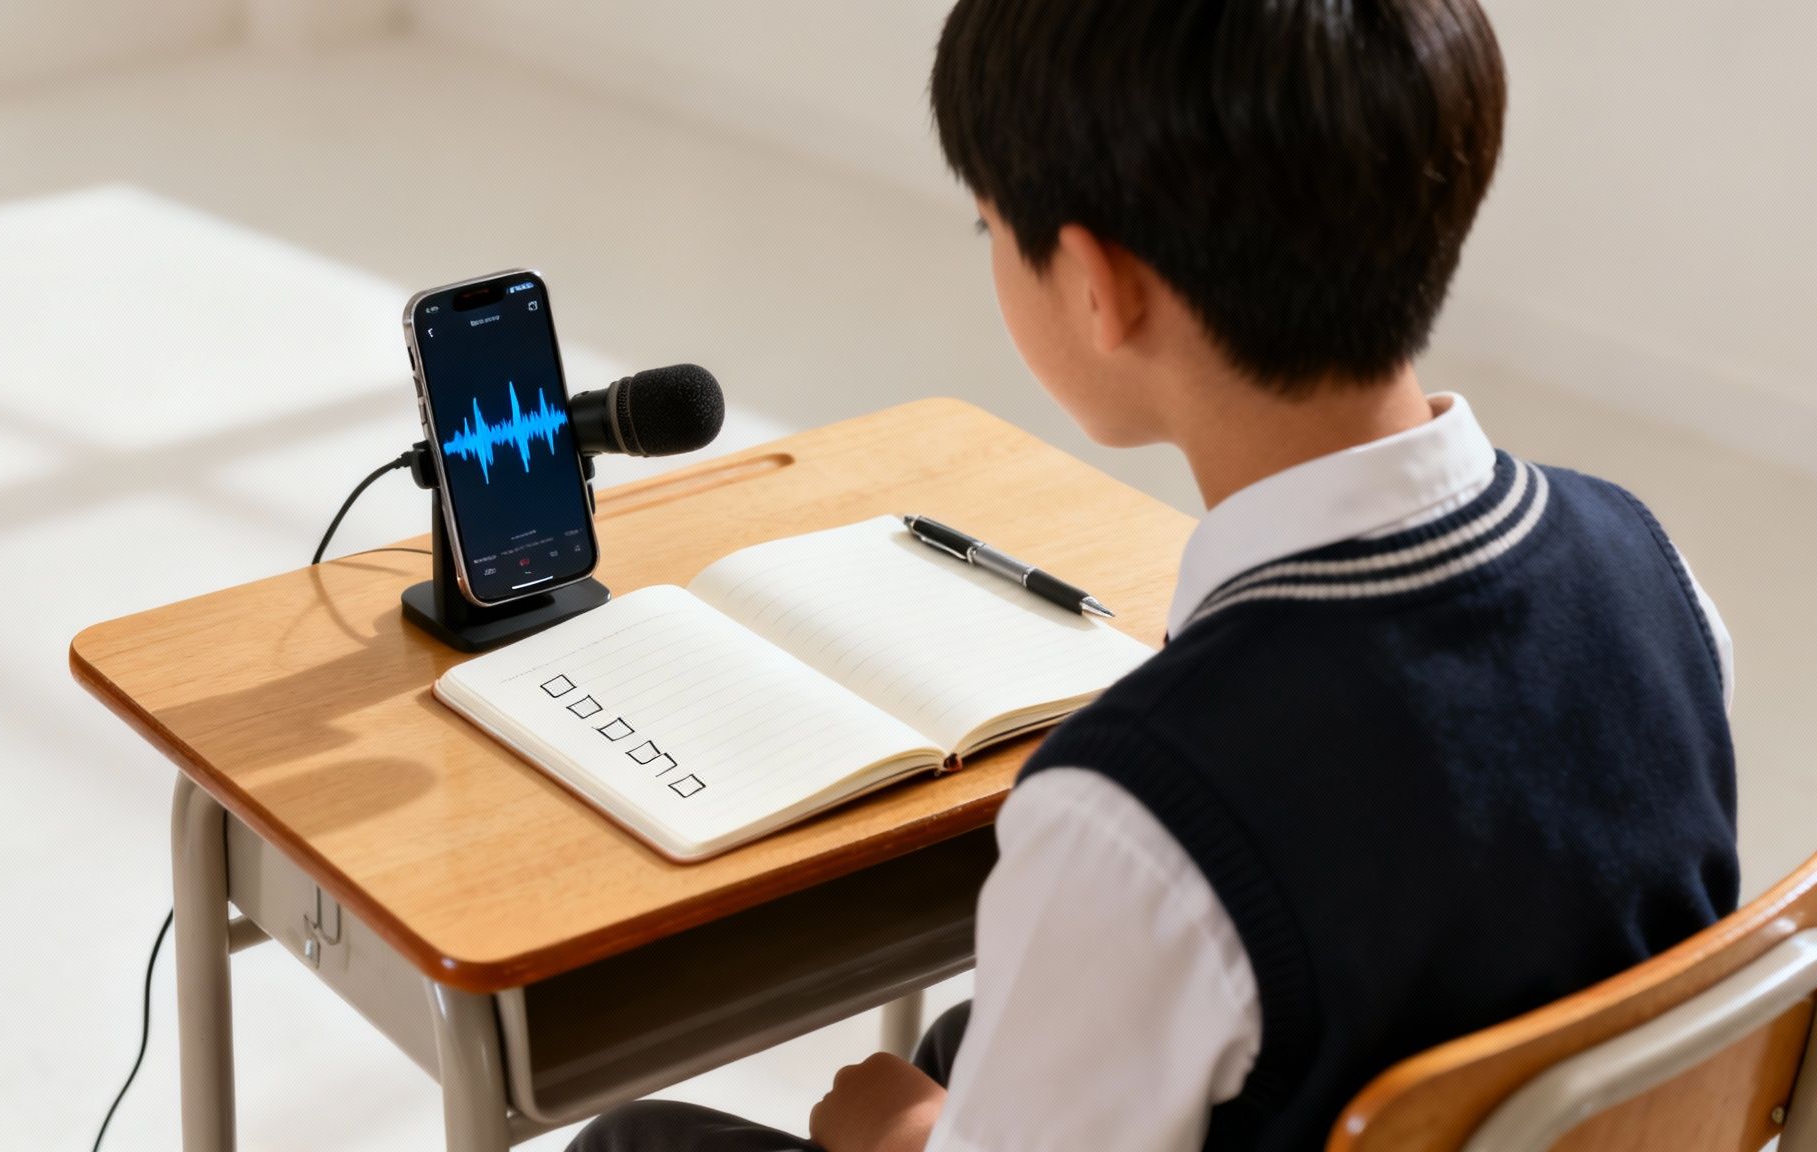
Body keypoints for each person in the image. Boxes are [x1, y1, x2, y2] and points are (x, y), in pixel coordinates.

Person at [571, 0, 1739, 1148]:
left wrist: (904, 1138)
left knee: (636, 1139)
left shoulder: (1132, 824)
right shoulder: (1655, 574)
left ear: (1099, 284)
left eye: (991, 227)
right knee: (977, 1038)